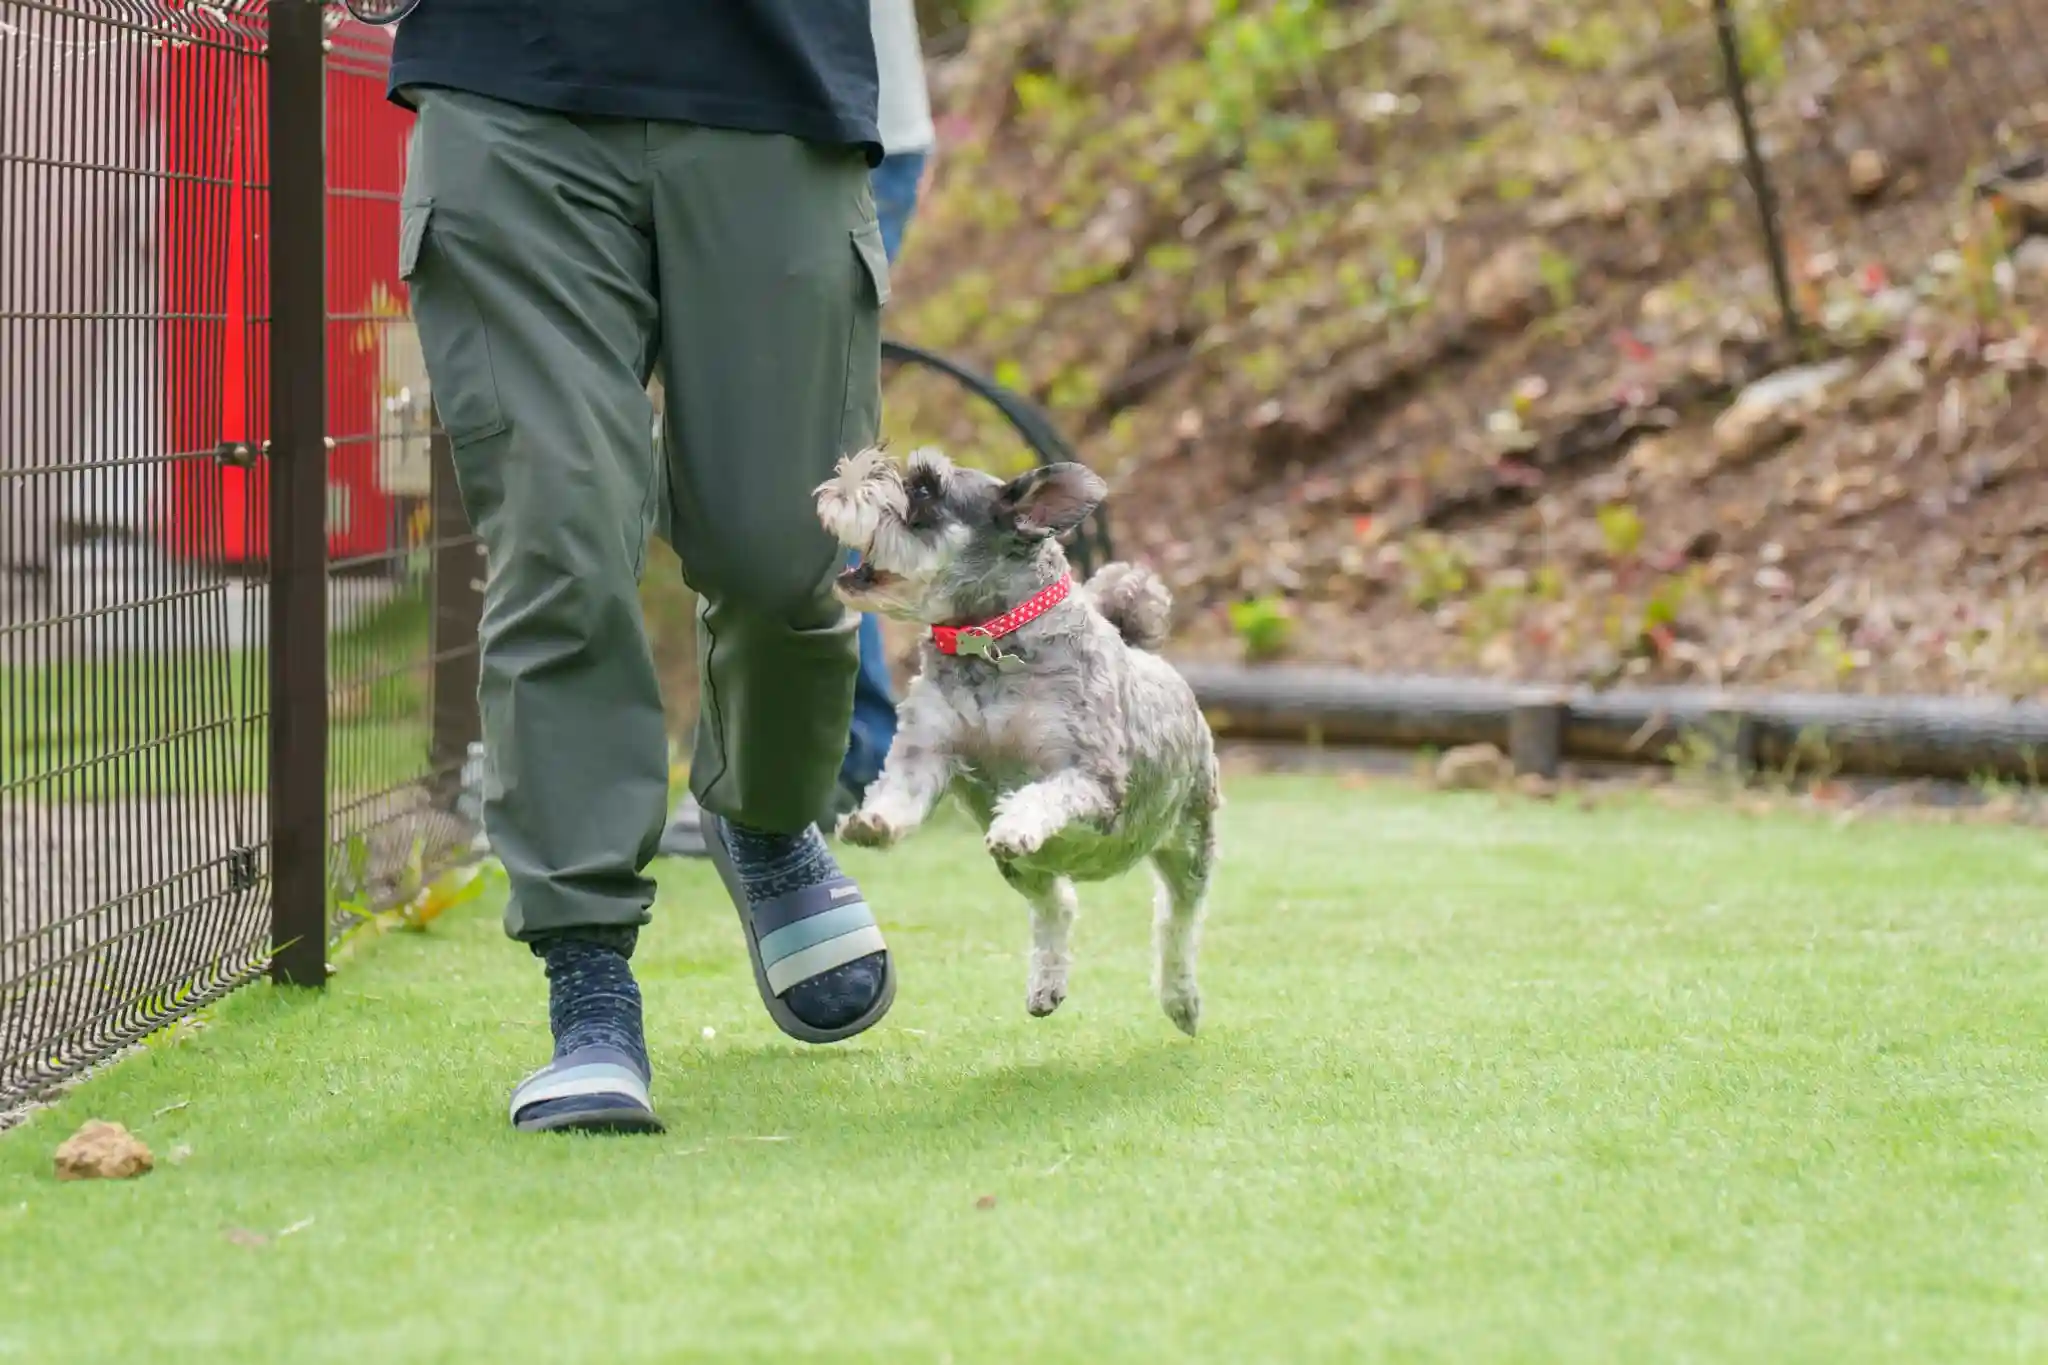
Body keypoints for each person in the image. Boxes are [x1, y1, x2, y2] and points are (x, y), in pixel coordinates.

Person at [389, 0, 898, 1134]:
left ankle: (764, 817)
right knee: (563, 534)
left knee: (791, 549)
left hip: (776, 84)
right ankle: (588, 983)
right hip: (507, 80)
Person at [661, 0, 934, 859]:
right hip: (717, 115)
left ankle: (833, 760)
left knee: (800, 463)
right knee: (783, 467)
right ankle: (842, 752)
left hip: (825, 117)